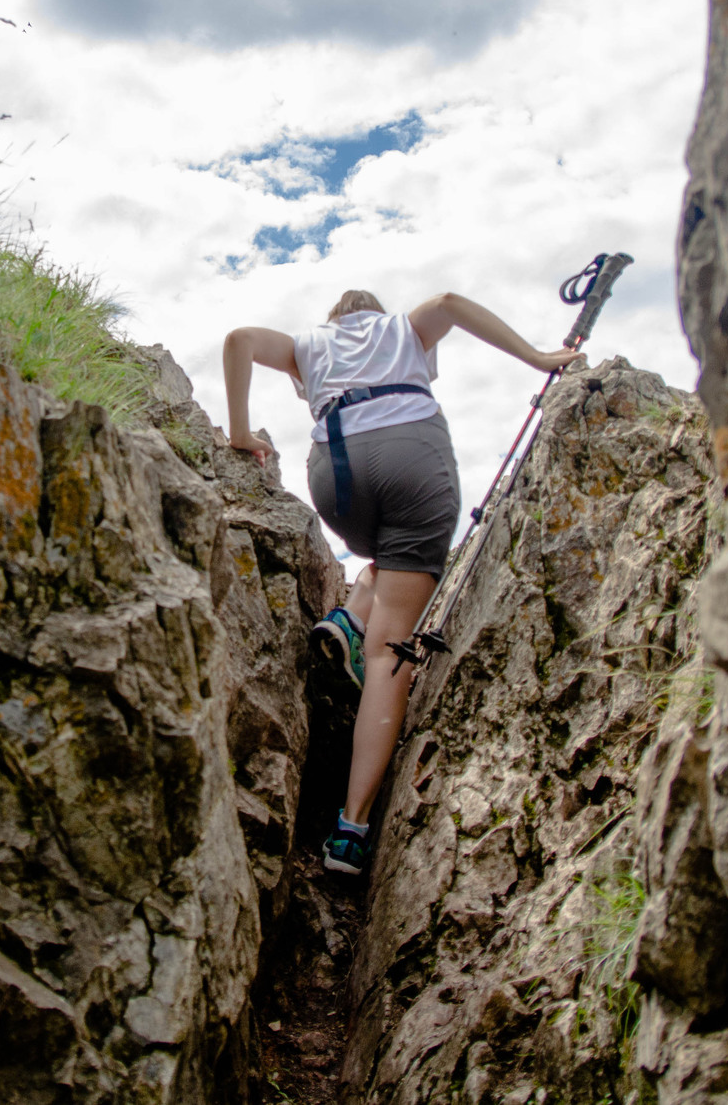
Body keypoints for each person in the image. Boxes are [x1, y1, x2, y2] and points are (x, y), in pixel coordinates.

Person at [223, 290, 583, 876]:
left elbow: (238, 339)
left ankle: (350, 616)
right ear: (374, 315)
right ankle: (351, 827)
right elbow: (448, 302)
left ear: (334, 321)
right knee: (393, 654)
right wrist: (540, 358)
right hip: (412, 459)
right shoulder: (402, 330)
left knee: (384, 563)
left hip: (336, 474)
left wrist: (241, 432)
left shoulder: (309, 346)